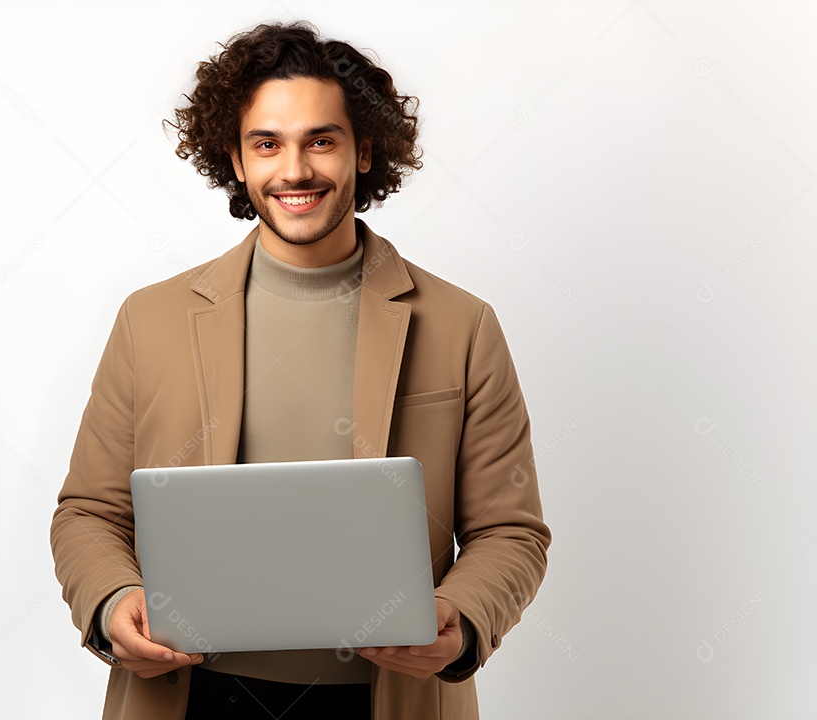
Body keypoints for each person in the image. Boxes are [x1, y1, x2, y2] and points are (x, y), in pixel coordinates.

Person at [50, 20, 550, 720]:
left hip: (385, 698)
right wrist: (112, 602)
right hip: (192, 696)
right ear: (235, 158)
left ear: (364, 150)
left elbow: (511, 530)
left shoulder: (462, 325)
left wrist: (461, 615)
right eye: (267, 144)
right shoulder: (149, 320)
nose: (294, 171)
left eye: (321, 140)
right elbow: (89, 513)